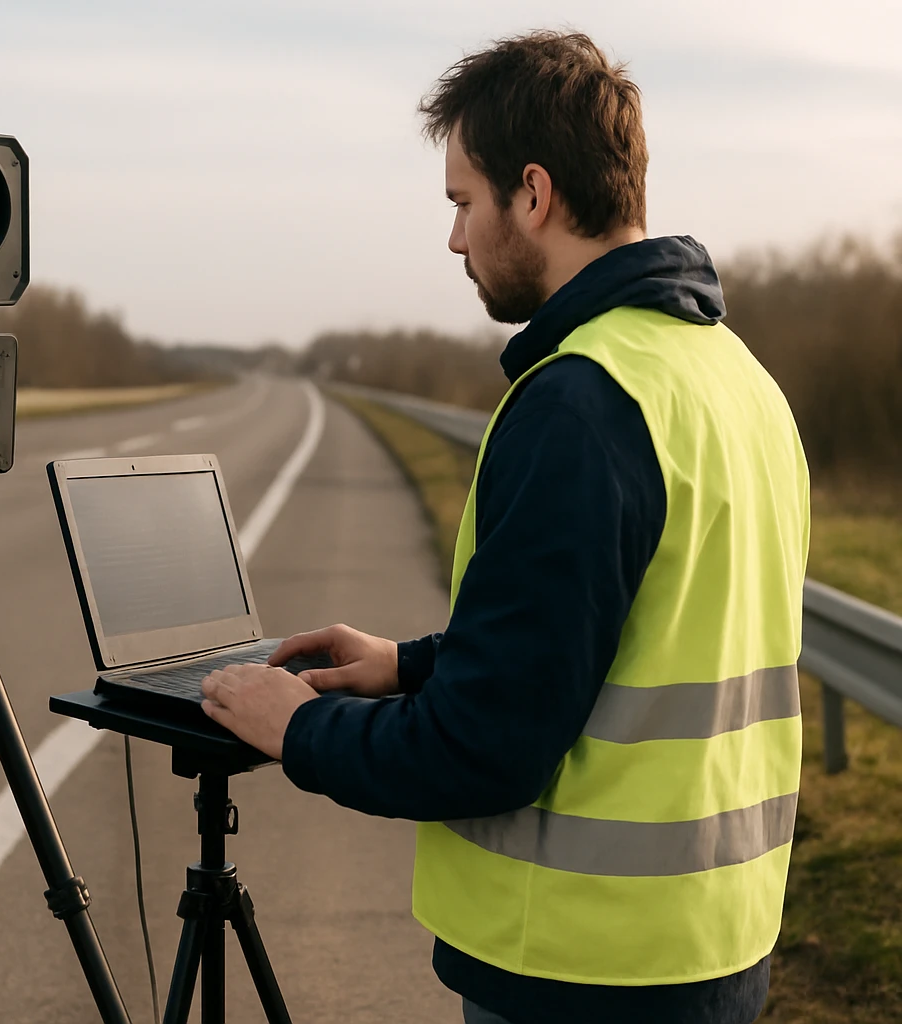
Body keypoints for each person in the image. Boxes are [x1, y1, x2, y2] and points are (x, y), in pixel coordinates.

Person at [199, 30, 809, 1024]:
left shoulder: (581, 403)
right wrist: (412, 662)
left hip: (579, 968)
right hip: (713, 945)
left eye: (462, 203)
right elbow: (621, 636)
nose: (454, 238)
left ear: (534, 194)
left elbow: (483, 750)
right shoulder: (733, 378)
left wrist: (297, 727)